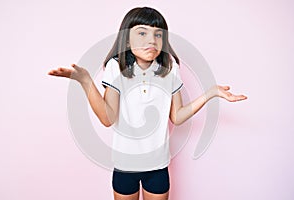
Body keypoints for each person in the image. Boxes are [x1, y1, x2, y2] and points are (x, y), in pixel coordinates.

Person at [48, 6, 247, 200]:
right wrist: (85, 81)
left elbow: (177, 116)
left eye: (158, 35)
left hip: (158, 166)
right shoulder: (115, 66)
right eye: (142, 33)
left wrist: (210, 93)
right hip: (125, 166)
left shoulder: (169, 67)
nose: (152, 40)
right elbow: (107, 118)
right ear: (126, 39)